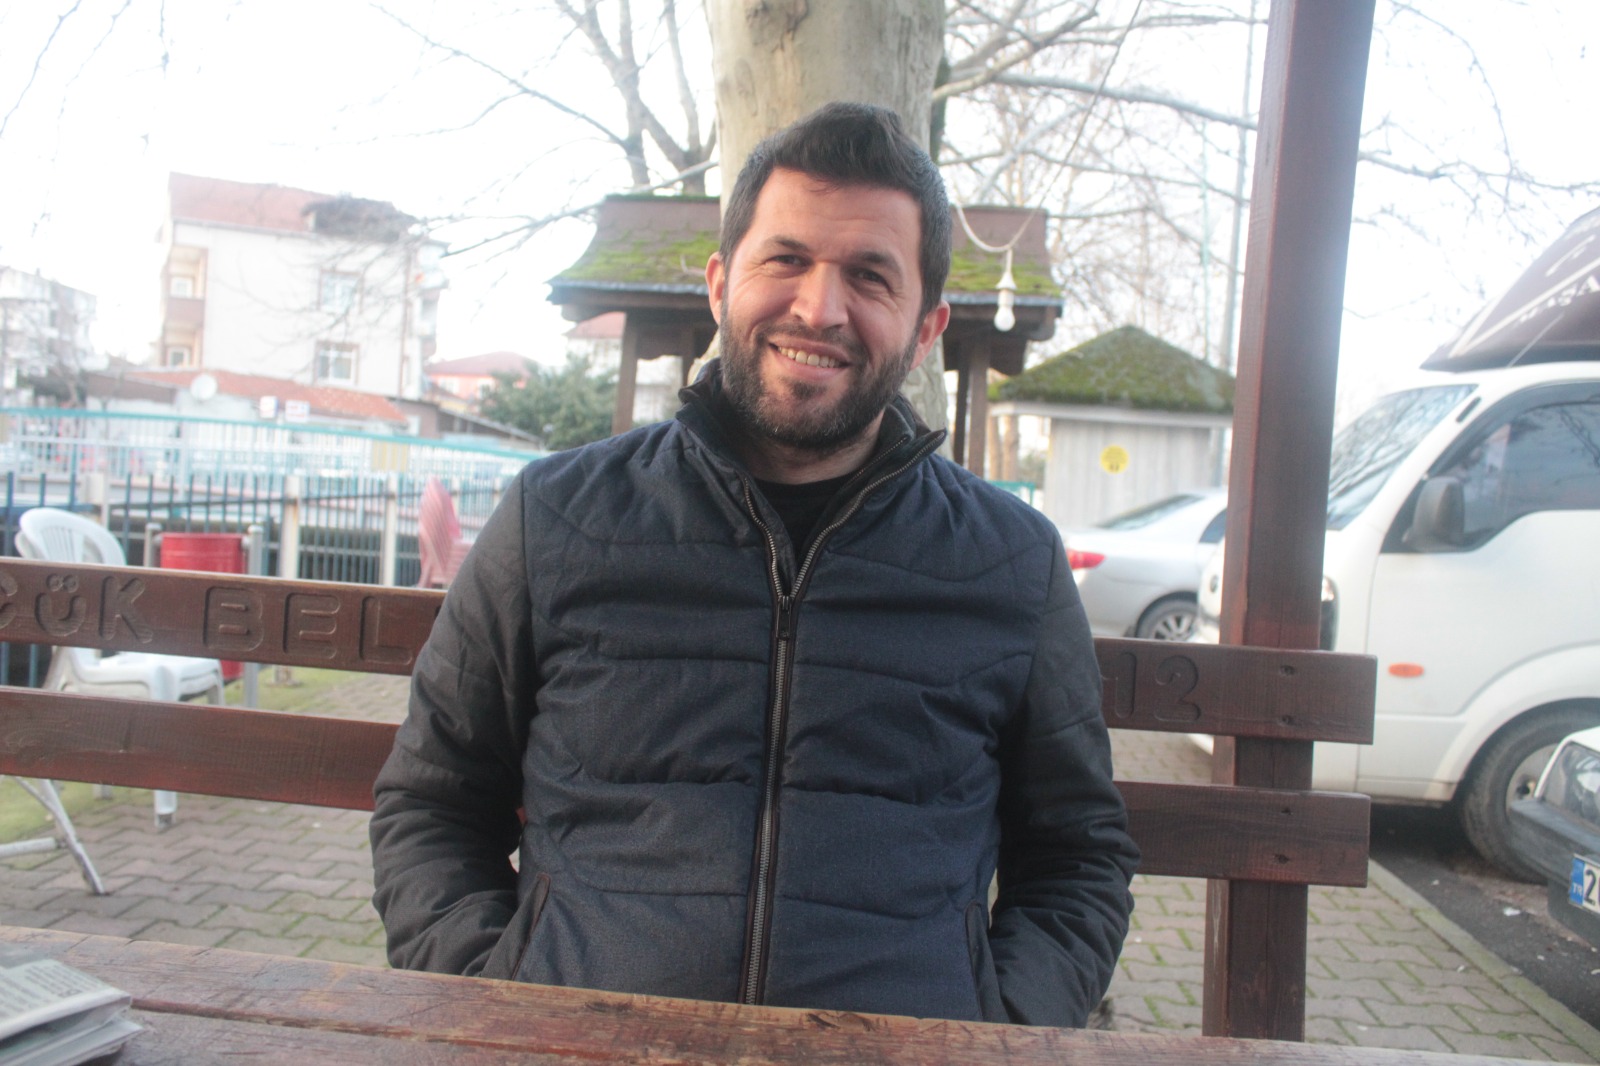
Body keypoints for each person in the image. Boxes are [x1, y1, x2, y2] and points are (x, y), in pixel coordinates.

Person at [370, 101, 1138, 1028]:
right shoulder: (555, 518)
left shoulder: (1010, 562)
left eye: (869, 276)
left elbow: (1077, 858)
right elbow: (433, 805)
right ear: (719, 282)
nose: (819, 308)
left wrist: (1000, 1031)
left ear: (926, 328)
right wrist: (494, 1006)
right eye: (786, 260)